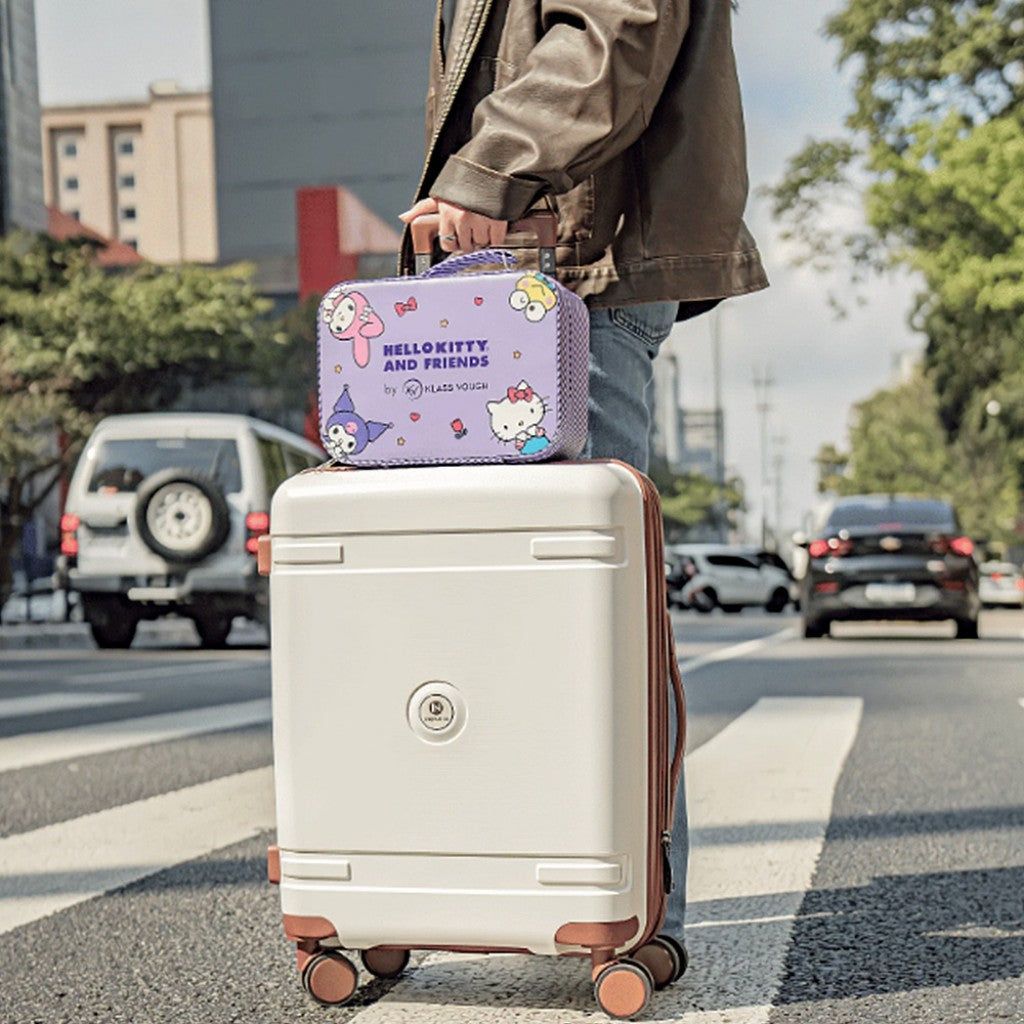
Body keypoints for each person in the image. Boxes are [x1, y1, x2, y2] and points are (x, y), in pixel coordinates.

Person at [400, 0, 767, 955]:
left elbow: (618, 26)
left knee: (587, 621)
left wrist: (493, 164)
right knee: (529, 618)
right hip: (533, 263)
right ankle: (541, 893)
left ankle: (623, 913)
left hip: (572, 267)